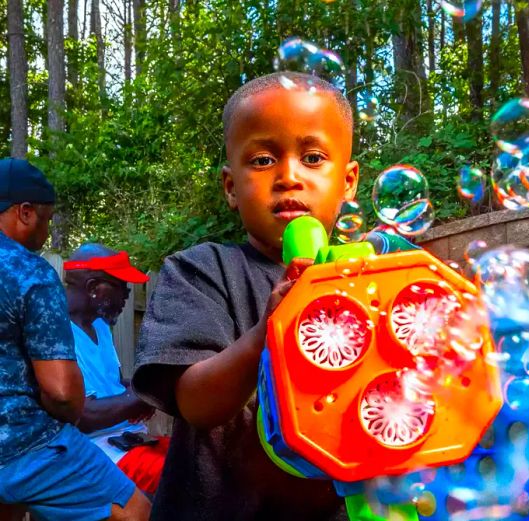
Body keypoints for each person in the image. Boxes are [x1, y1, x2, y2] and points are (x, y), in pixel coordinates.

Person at [132, 71, 359, 520]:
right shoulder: (200, 270)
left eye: (313, 157)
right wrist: (269, 330)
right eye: (261, 160)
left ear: (348, 181)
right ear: (231, 187)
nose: (289, 176)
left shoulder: (367, 278)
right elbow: (196, 404)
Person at [0, 158, 150, 521]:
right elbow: (65, 396)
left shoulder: (100, 329)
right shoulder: (28, 272)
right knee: (135, 510)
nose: (47, 231)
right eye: (47, 219)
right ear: (24, 212)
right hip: (24, 443)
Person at [64, 243, 169, 496]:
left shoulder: (99, 326)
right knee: (186, 477)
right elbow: (84, 416)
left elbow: (113, 385)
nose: (126, 295)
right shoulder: (57, 334)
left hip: (128, 440)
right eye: (121, 286)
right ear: (93, 288)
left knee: (201, 458)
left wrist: (143, 388)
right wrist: (141, 398)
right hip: (99, 453)